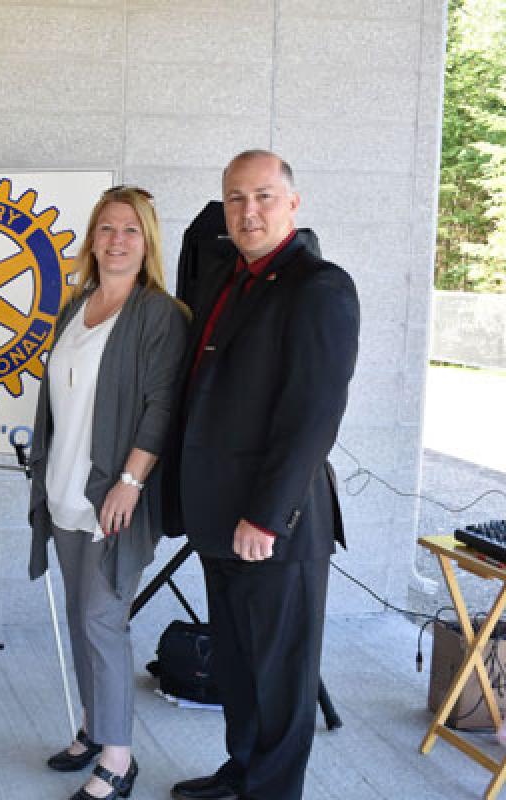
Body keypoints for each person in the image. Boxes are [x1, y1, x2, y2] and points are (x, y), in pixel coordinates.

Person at [164, 150, 360, 800]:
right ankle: (241, 773)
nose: (249, 211)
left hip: (273, 526)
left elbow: (312, 417)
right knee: (241, 669)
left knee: (280, 681)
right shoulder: (228, 277)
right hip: (217, 518)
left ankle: (271, 791)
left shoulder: (320, 287)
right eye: (235, 199)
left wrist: (266, 516)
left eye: (264, 197)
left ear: (294, 204)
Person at [28, 186, 189, 800]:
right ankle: (96, 728)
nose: (117, 240)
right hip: (63, 487)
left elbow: (161, 404)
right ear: (91, 239)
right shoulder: (77, 306)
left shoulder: (159, 315)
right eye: (106, 229)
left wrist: (130, 482)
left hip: (115, 496)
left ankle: (118, 760)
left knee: (103, 621)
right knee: (80, 615)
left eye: (130, 230)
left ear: (147, 243)